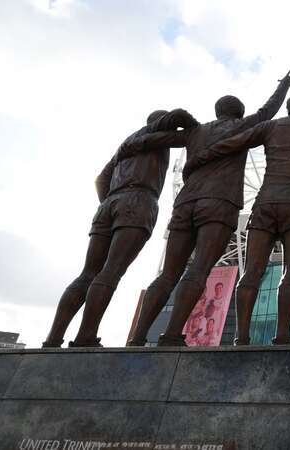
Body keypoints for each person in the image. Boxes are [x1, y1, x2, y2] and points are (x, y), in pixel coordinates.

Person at [125, 72, 290, 347]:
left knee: (168, 273)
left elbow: (158, 138)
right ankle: (171, 335)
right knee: (200, 269)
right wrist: (285, 85)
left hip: (185, 202)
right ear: (238, 113)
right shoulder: (242, 126)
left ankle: (138, 336)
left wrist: (131, 144)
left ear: (217, 111)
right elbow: (268, 110)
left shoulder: (195, 132)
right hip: (219, 202)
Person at [184, 92, 290, 346]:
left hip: (265, 204)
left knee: (250, 273)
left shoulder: (270, 127)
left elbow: (233, 143)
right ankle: (282, 335)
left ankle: (241, 336)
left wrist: (200, 158)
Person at [42, 108, 199, 347]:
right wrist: (197, 129)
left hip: (108, 204)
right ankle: (86, 335)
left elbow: (101, 178)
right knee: (111, 272)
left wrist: (111, 200)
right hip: (138, 201)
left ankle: (53, 338)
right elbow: (177, 115)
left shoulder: (126, 144)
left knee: (87, 273)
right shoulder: (154, 134)